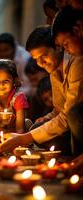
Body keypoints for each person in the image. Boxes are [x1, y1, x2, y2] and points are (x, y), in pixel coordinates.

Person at [0, 26, 83, 155]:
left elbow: (67, 116)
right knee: (36, 127)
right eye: (36, 59)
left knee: (71, 117)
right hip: (67, 124)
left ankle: (77, 155)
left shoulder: (77, 63)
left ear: (58, 47)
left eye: (43, 56)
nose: (40, 63)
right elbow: (59, 109)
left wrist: (23, 138)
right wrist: (46, 118)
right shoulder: (54, 71)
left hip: (77, 123)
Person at [52, 7, 83, 155]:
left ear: (77, 30)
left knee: (75, 114)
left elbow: (68, 113)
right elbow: (58, 108)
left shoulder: (77, 61)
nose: (67, 50)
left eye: (65, 44)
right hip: (66, 121)